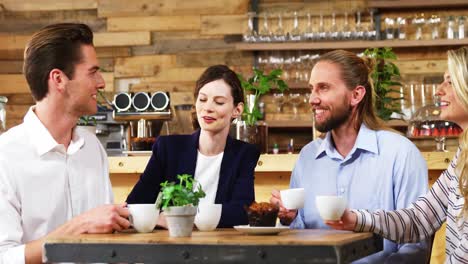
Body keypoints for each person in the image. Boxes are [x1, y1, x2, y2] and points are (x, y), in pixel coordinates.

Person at [270, 50, 430, 262]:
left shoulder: (401, 154)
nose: (312, 99)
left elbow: (416, 247)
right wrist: (289, 219)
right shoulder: (307, 157)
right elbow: (299, 240)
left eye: (323, 88)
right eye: (311, 89)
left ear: (356, 95)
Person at [0, 23, 130, 264]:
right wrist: (78, 226)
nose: (101, 83)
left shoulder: (92, 148)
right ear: (58, 79)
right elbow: (5, 258)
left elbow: (104, 235)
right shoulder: (5, 156)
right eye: (92, 72)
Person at [327, 47, 468, 263]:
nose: (439, 90)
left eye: (450, 81)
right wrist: (358, 219)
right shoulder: (462, 157)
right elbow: (419, 219)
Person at [126, 64, 260, 228]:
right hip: (169, 246)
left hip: (221, 247)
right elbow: (134, 205)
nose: (207, 108)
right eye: (202, 99)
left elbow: (243, 212)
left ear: (237, 110)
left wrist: (181, 217)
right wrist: (155, 219)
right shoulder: (168, 148)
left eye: (218, 102)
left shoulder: (244, 153)